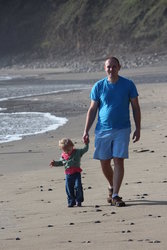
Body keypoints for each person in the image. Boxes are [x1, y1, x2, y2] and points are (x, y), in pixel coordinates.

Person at [83, 56, 141, 207]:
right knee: (104, 162)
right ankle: (111, 186)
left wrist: (138, 128)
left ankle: (115, 195)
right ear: (105, 68)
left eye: (114, 66)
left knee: (118, 160)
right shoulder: (98, 86)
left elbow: (135, 107)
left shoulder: (128, 85)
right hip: (102, 129)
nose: (111, 69)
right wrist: (86, 130)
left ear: (119, 67)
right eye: (108, 67)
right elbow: (92, 109)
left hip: (123, 128)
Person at [49, 138, 89, 207]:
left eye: (68, 150)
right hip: (68, 175)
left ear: (72, 146)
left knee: (78, 186)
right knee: (68, 188)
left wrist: (86, 143)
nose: (67, 152)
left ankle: (79, 201)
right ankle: (71, 201)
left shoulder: (78, 152)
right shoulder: (63, 155)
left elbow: (85, 149)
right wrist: (54, 163)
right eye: (65, 151)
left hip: (76, 173)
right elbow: (61, 163)